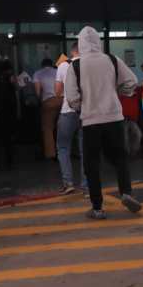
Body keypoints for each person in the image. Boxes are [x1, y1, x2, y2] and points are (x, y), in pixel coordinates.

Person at [64, 26, 142, 219]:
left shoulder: (76, 66)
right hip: (114, 118)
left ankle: (97, 207)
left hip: (91, 121)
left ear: (80, 43)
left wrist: (83, 106)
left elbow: (72, 98)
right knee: (120, 157)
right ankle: (126, 192)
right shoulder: (112, 60)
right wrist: (117, 92)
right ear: (98, 42)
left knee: (91, 164)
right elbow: (132, 82)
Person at [55, 43, 87, 195]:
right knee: (85, 150)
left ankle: (68, 183)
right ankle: (86, 185)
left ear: (72, 51)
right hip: (86, 112)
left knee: (63, 147)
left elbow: (57, 91)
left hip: (68, 111)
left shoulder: (63, 65)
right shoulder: (89, 65)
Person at [34, 59, 59, 160]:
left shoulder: (38, 74)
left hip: (48, 102)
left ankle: (51, 153)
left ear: (42, 65)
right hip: (62, 100)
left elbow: (38, 92)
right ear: (52, 65)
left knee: (48, 128)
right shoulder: (58, 72)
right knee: (61, 127)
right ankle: (65, 149)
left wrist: (39, 101)